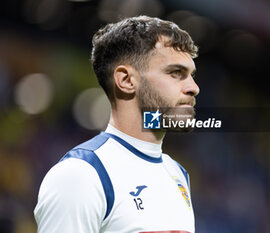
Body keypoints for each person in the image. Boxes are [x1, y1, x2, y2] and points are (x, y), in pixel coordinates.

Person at [34, 15, 200, 233]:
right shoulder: (81, 175)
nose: (193, 87)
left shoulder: (177, 173)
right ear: (126, 80)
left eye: (191, 75)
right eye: (176, 73)